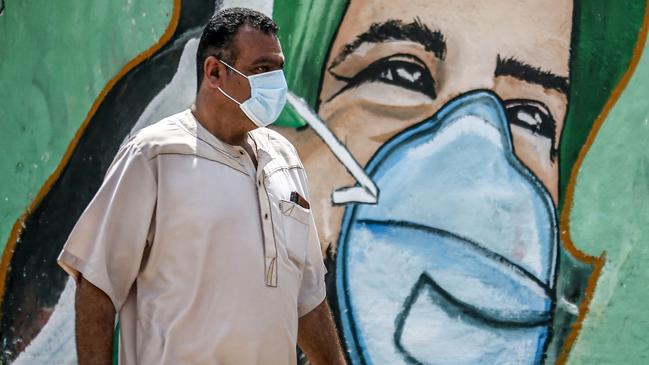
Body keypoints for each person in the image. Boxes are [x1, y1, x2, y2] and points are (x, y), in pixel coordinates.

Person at [57, 7, 346, 365]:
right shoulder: (154, 156)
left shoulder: (284, 158)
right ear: (214, 72)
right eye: (261, 69)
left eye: (278, 68)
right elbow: (97, 285)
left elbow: (308, 296)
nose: (276, 84)